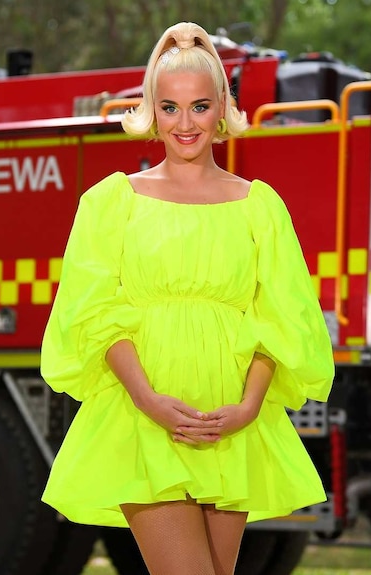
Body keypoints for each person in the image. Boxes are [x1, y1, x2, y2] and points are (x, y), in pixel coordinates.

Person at [39, 21, 334, 575]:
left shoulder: (259, 206)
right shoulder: (114, 201)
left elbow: (282, 317)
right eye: (169, 107)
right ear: (151, 109)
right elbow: (95, 315)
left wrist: (247, 408)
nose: (185, 123)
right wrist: (150, 402)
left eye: (199, 106)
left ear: (222, 106)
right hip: (146, 418)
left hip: (231, 423)